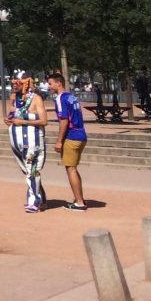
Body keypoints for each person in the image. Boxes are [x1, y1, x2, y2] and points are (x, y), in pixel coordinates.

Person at [4, 75, 47, 213]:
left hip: (32, 143)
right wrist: (9, 119)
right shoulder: (13, 98)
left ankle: (34, 201)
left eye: (17, 83)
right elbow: (12, 115)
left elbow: (44, 121)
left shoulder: (36, 99)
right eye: (12, 84)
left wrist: (23, 122)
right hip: (17, 142)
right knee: (27, 171)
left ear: (26, 84)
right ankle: (42, 199)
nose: (14, 86)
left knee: (32, 170)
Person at [48, 71, 88, 211]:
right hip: (81, 135)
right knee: (74, 169)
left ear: (58, 83)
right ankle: (79, 199)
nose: (49, 86)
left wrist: (59, 141)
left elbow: (64, 121)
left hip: (71, 137)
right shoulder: (71, 96)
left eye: (50, 83)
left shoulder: (60, 99)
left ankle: (79, 203)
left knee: (70, 169)